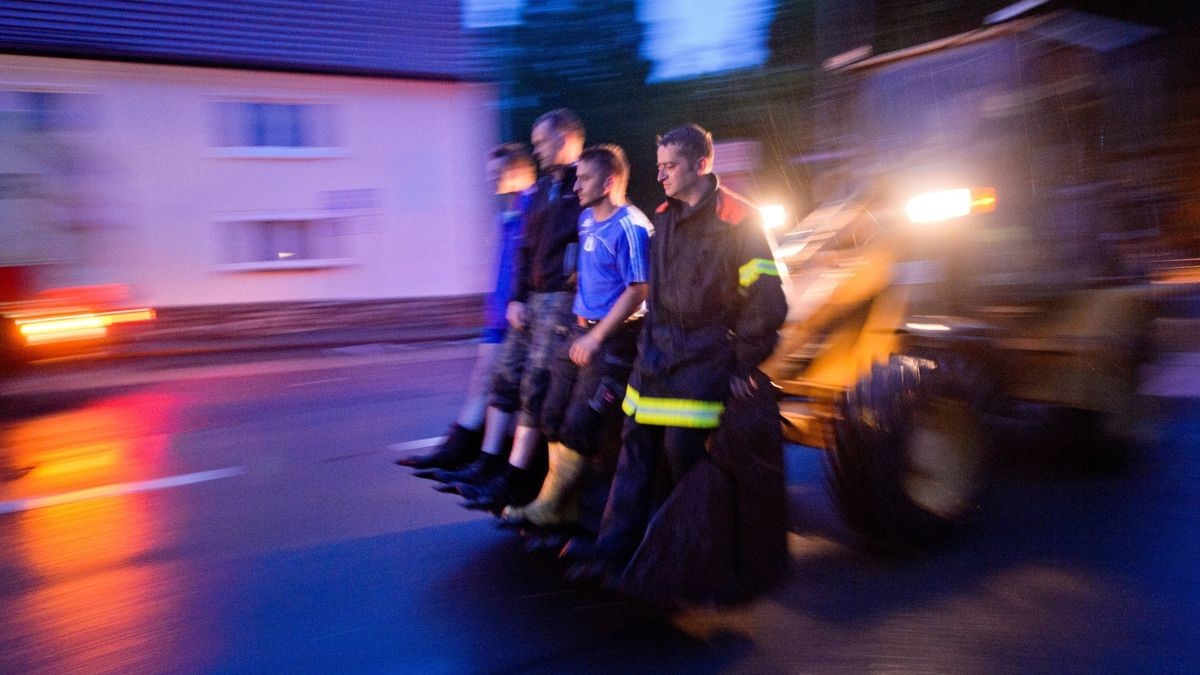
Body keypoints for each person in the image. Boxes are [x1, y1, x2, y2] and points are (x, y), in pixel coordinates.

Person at [562, 124, 788, 577]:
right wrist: (647, 347)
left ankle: (682, 553)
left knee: (682, 454)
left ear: (701, 165)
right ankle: (613, 550)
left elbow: (766, 300)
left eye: (670, 166)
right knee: (635, 453)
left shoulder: (739, 220)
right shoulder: (663, 217)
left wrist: (744, 363)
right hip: (656, 360)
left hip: (704, 360)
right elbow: (656, 296)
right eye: (659, 165)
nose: (660, 176)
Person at [428, 109, 586, 510]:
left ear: (565, 139)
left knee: (536, 388)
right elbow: (525, 250)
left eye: (542, 143)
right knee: (504, 378)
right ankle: (488, 463)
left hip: (560, 301)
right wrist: (516, 297)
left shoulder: (583, 185)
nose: (537, 151)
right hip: (531, 299)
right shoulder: (547, 190)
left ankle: (516, 478)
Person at [500, 143, 651, 530]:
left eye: (584, 179)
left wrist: (597, 338)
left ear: (609, 181)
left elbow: (638, 290)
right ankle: (560, 506)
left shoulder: (631, 226)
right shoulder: (585, 220)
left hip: (612, 341)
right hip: (578, 332)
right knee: (549, 413)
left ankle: (556, 507)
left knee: (580, 424)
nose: (577, 186)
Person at [396, 143, 536, 470]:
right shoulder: (507, 213)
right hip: (497, 315)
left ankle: (475, 457)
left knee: (503, 387)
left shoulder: (534, 208)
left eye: (497, 174)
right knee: (485, 380)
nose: (491, 181)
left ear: (518, 171)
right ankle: (461, 452)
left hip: (518, 316)